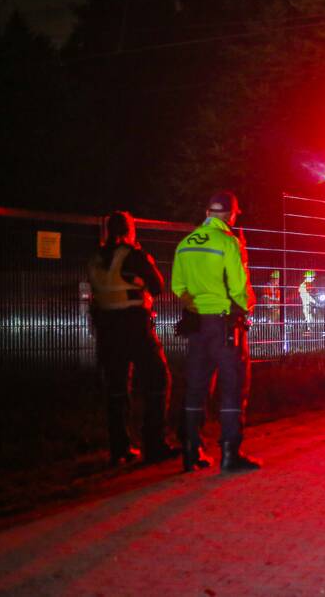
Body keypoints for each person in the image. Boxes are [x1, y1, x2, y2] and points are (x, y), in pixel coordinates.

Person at [172, 191, 261, 473]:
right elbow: (238, 287)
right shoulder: (228, 242)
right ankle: (230, 455)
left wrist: (197, 305)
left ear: (208, 212)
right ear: (231, 215)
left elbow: (178, 287)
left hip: (197, 324)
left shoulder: (185, 243)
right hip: (225, 325)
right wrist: (246, 307)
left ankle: (190, 451)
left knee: (196, 388)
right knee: (232, 387)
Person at [88, 211, 178, 466]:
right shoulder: (133, 255)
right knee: (159, 379)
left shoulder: (96, 258)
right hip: (134, 327)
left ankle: (120, 449)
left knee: (117, 390)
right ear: (130, 230)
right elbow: (158, 285)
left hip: (107, 330)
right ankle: (154, 443)